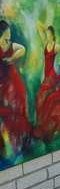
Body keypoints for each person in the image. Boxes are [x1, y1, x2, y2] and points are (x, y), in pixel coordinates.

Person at [33, 22, 60, 142]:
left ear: (53, 35)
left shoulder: (55, 46)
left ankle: (46, 125)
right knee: (41, 98)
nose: (48, 36)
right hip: (46, 75)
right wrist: (41, 75)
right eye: (47, 34)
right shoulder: (45, 43)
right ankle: (45, 125)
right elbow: (38, 27)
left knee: (42, 97)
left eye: (50, 34)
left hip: (53, 75)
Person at [0, 20, 30, 155]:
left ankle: (22, 142)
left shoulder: (10, 45)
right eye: (7, 33)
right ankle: (11, 145)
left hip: (15, 86)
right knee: (8, 114)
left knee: (19, 113)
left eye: (9, 33)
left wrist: (12, 58)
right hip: (4, 88)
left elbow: (23, 49)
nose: (9, 35)